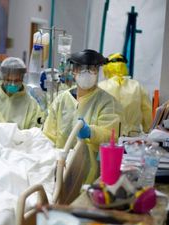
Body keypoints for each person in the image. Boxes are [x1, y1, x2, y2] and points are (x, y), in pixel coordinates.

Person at [43, 49, 122, 184]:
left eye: (92, 69)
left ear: (98, 72)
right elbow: (48, 136)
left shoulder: (107, 101)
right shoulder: (61, 99)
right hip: (59, 166)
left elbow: (111, 136)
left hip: (88, 171)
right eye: (82, 68)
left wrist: (91, 132)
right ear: (74, 71)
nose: (87, 73)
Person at [99, 53, 152, 136]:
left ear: (107, 68)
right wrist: (147, 130)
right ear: (124, 67)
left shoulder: (101, 87)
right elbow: (147, 112)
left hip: (107, 137)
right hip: (132, 137)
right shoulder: (137, 86)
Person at [0, 57, 44, 129]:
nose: (12, 84)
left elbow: (35, 132)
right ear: (2, 77)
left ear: (23, 79)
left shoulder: (31, 105)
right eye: (8, 80)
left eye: (16, 80)